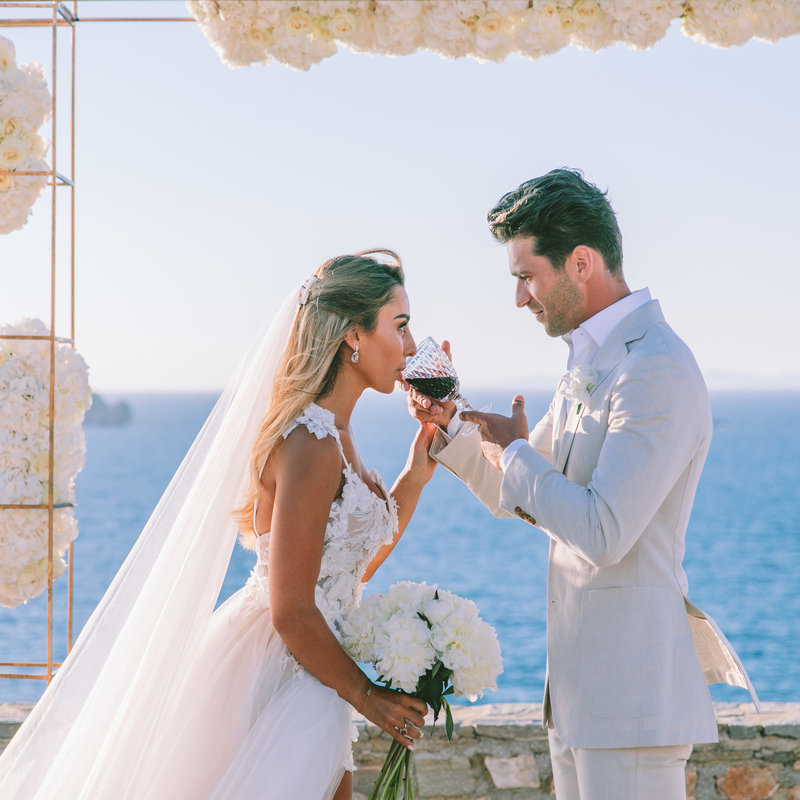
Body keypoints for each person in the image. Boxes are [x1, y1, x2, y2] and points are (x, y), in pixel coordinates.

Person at [0, 250, 435, 799]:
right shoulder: (313, 445)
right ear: (354, 334)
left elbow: (345, 568)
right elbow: (292, 609)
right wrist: (366, 695)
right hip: (281, 674)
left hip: (314, 672)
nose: (412, 346)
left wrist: (414, 478)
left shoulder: (334, 436)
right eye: (400, 326)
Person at [405, 169, 759, 800]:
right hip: (579, 703)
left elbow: (601, 531)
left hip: (632, 704)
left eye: (526, 275)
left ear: (581, 262)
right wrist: (455, 428)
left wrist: (516, 451)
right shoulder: (592, 361)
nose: (519, 297)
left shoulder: (655, 369)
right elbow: (522, 495)